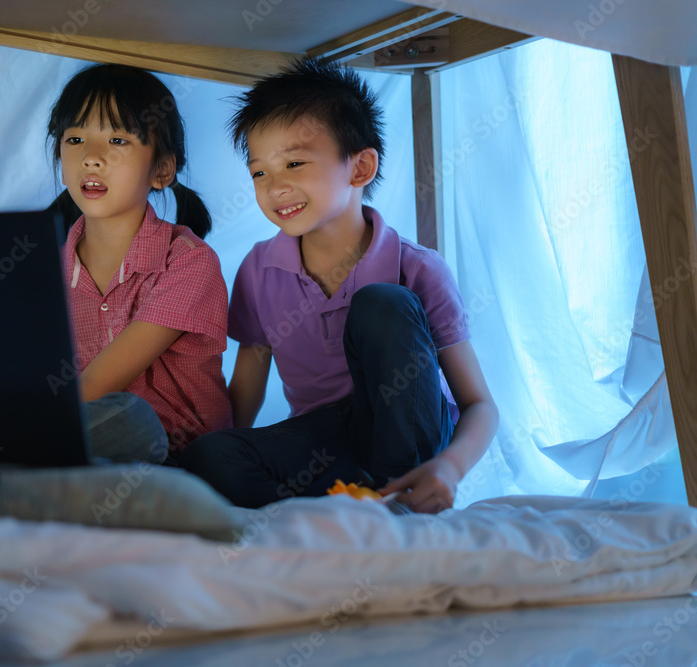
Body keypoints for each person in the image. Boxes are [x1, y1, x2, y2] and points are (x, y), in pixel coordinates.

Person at [180, 58, 498, 512]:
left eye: (294, 163)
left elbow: (479, 404)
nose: (275, 187)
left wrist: (450, 467)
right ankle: (333, 519)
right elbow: (245, 388)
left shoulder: (417, 268)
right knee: (210, 455)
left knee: (383, 303)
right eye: (260, 172)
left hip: (409, 437)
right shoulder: (258, 269)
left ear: (360, 168)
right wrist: (219, 453)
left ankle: (398, 504)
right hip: (326, 447)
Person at [45, 63, 231, 464]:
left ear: (161, 169)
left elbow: (97, 384)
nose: (91, 158)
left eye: (116, 139)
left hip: (180, 457)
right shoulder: (46, 270)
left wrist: (15, 432)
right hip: (84, 448)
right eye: (75, 138)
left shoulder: (189, 261)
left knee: (130, 418)